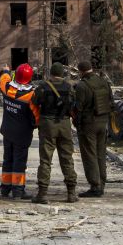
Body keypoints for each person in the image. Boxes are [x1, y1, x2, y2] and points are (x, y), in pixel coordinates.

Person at [31, 63, 78, 204]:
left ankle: (43, 193)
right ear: (62, 74)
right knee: (67, 158)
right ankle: (71, 193)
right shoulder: (69, 87)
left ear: (51, 73)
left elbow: (34, 101)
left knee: (46, 159)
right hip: (64, 123)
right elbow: (74, 105)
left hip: (47, 123)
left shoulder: (43, 87)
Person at [0, 63, 37, 199]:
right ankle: (18, 190)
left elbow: (3, 78)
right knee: (19, 162)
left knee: (7, 159)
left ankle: (5, 188)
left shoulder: (8, 89)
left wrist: (6, 70)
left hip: (7, 132)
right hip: (22, 135)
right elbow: (36, 118)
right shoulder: (31, 95)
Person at [73, 61, 112, 198]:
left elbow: (78, 108)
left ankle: (95, 186)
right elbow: (111, 102)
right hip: (103, 121)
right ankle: (101, 182)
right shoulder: (104, 82)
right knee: (100, 153)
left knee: (89, 154)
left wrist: (77, 124)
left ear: (81, 71)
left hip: (89, 124)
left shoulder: (82, 86)